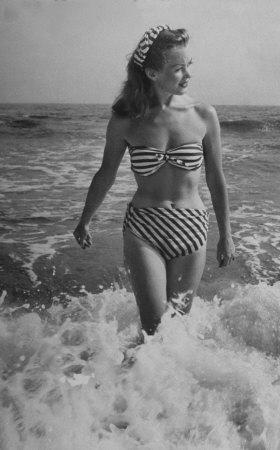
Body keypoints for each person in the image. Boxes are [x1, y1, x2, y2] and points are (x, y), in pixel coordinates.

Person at [73, 25, 236, 336]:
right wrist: (85, 220)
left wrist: (226, 234)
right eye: (178, 69)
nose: (187, 74)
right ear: (151, 73)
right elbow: (106, 173)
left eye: (189, 65)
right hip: (144, 229)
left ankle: (162, 384)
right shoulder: (125, 119)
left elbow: (216, 177)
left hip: (191, 228)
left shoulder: (204, 115)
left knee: (175, 332)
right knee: (153, 327)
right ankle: (126, 380)